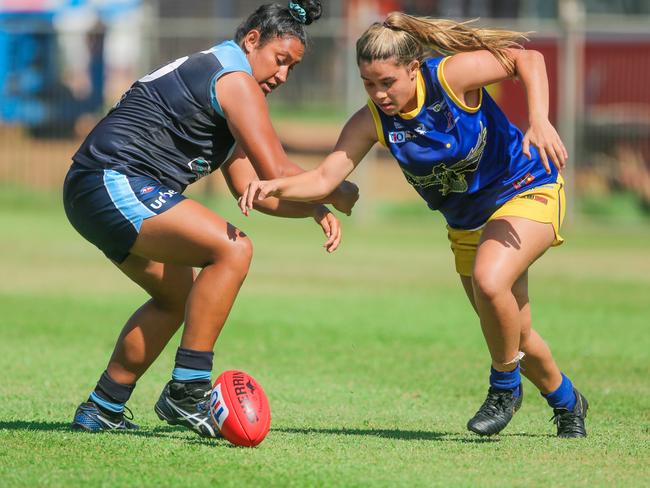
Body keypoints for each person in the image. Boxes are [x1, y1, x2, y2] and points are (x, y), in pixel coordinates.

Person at [240, 13, 589, 438]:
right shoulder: (371, 121)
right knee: (515, 330)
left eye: (388, 82)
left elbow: (528, 60)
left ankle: (504, 388)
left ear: (413, 68)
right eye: (369, 83)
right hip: (466, 223)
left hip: (527, 187)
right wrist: (272, 187)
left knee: (489, 280)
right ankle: (568, 402)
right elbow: (324, 179)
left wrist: (538, 119)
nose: (379, 94)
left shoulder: (449, 76)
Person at [64, 0, 359, 436]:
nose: (281, 75)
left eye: (292, 69)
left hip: (95, 190)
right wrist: (336, 187)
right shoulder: (235, 78)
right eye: (279, 61)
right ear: (252, 40)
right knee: (233, 248)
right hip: (113, 180)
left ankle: (102, 406)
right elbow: (277, 171)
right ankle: (188, 390)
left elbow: (253, 190)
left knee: (177, 297)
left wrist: (314, 206)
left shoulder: (225, 78)